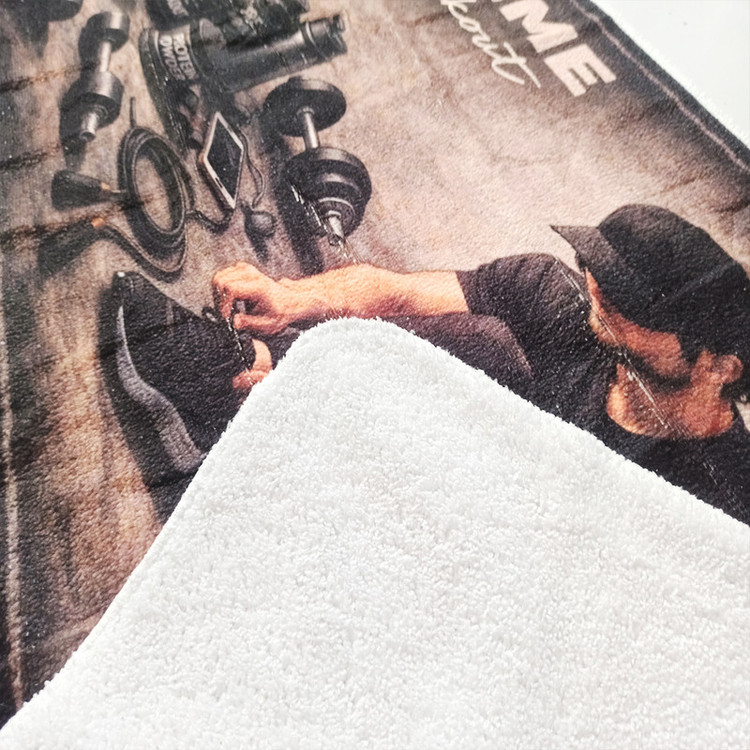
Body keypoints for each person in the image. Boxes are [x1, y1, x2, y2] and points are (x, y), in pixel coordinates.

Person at [213, 204, 750, 523]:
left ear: (721, 367)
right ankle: (271, 366)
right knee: (480, 343)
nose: (598, 293)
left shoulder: (723, 500)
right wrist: (292, 297)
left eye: (630, 301)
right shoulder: (560, 297)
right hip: (451, 462)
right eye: (597, 270)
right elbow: (401, 293)